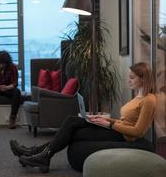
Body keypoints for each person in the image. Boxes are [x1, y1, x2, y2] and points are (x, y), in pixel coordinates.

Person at [10, 62, 156, 173]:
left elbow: (137, 131)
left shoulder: (149, 100)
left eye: (132, 77)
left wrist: (110, 125)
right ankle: (39, 153)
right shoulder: (138, 96)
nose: (128, 80)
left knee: (72, 123)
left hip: (124, 136)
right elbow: (126, 121)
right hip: (118, 129)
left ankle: (40, 154)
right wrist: (106, 120)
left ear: (143, 79)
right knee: (72, 122)